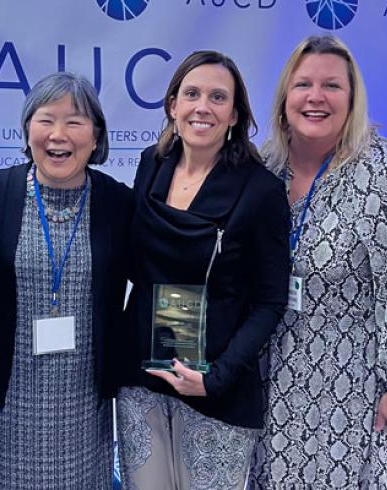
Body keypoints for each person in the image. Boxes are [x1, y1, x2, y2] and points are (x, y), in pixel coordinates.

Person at [247, 35, 387, 489]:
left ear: (352, 98)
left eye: (331, 86)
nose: (315, 97)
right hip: (270, 377)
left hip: (356, 382)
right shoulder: (265, 166)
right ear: (284, 97)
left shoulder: (385, 170)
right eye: (303, 85)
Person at [116, 51, 289, 489]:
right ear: (172, 105)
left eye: (217, 97)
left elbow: (269, 301)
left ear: (235, 114)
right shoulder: (149, 165)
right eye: (191, 94)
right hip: (143, 379)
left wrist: (218, 376)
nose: (202, 107)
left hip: (216, 387)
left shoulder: (261, 190)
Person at [0, 72, 133, 489]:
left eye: (74, 121)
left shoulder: (119, 204)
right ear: (27, 129)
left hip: (82, 406)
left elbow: (154, 284)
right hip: (3, 403)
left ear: (96, 136)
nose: (59, 134)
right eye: (45, 119)